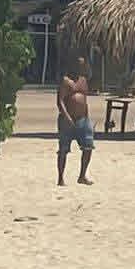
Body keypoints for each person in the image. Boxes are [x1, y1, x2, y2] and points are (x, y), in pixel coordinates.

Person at [57, 58, 95, 186]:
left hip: (83, 120)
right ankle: (60, 178)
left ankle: (82, 176)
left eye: (82, 65)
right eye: (78, 65)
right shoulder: (66, 81)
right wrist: (67, 117)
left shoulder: (83, 81)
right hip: (67, 120)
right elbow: (60, 101)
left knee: (88, 147)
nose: (81, 67)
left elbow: (84, 100)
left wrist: (87, 117)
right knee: (63, 149)